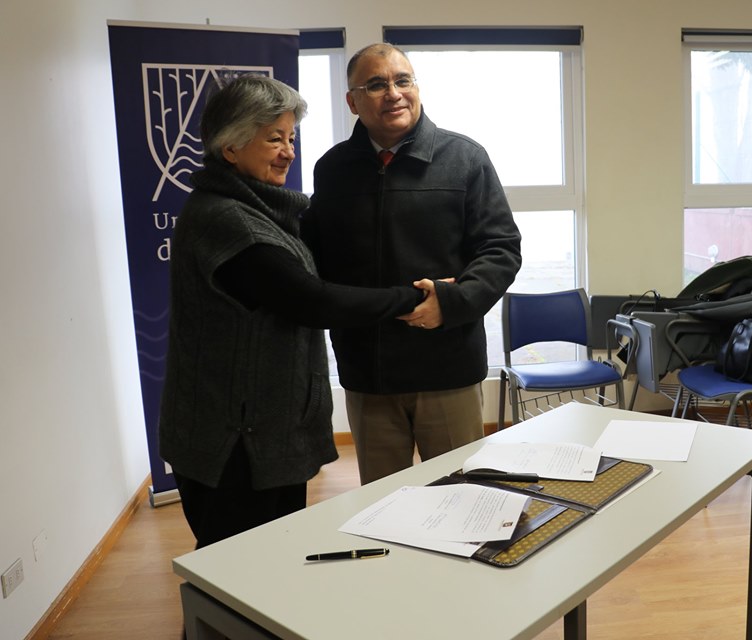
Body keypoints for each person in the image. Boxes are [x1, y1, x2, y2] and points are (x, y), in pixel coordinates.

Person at [158, 74, 427, 549]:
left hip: (262, 435)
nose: (288, 152)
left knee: (263, 566)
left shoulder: (259, 209)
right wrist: (414, 297)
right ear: (231, 148)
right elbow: (313, 300)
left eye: (291, 138)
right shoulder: (226, 219)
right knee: (235, 574)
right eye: (273, 139)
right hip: (233, 444)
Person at [301, 43, 522, 485]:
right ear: (352, 101)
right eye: (376, 84)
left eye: (403, 80)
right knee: (383, 506)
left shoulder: (465, 159)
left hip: (447, 369)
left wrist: (453, 302)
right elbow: (318, 261)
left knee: (461, 498)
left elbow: (501, 249)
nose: (393, 93)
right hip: (368, 374)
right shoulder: (332, 170)